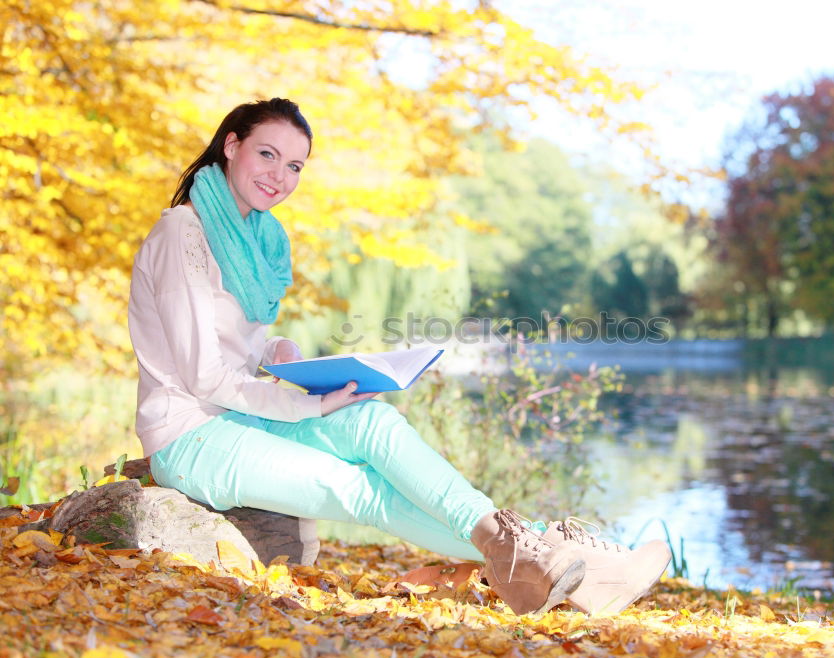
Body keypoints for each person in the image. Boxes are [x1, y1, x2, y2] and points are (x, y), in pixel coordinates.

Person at [128, 97, 670, 615]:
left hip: (239, 416)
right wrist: (307, 407)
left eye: (294, 165)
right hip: (192, 435)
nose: (279, 175)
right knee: (362, 490)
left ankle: (550, 563)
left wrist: (279, 353)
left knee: (374, 423)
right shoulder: (185, 232)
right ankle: (566, 563)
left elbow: (228, 344)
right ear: (231, 145)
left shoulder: (257, 239)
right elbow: (202, 375)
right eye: (267, 154)